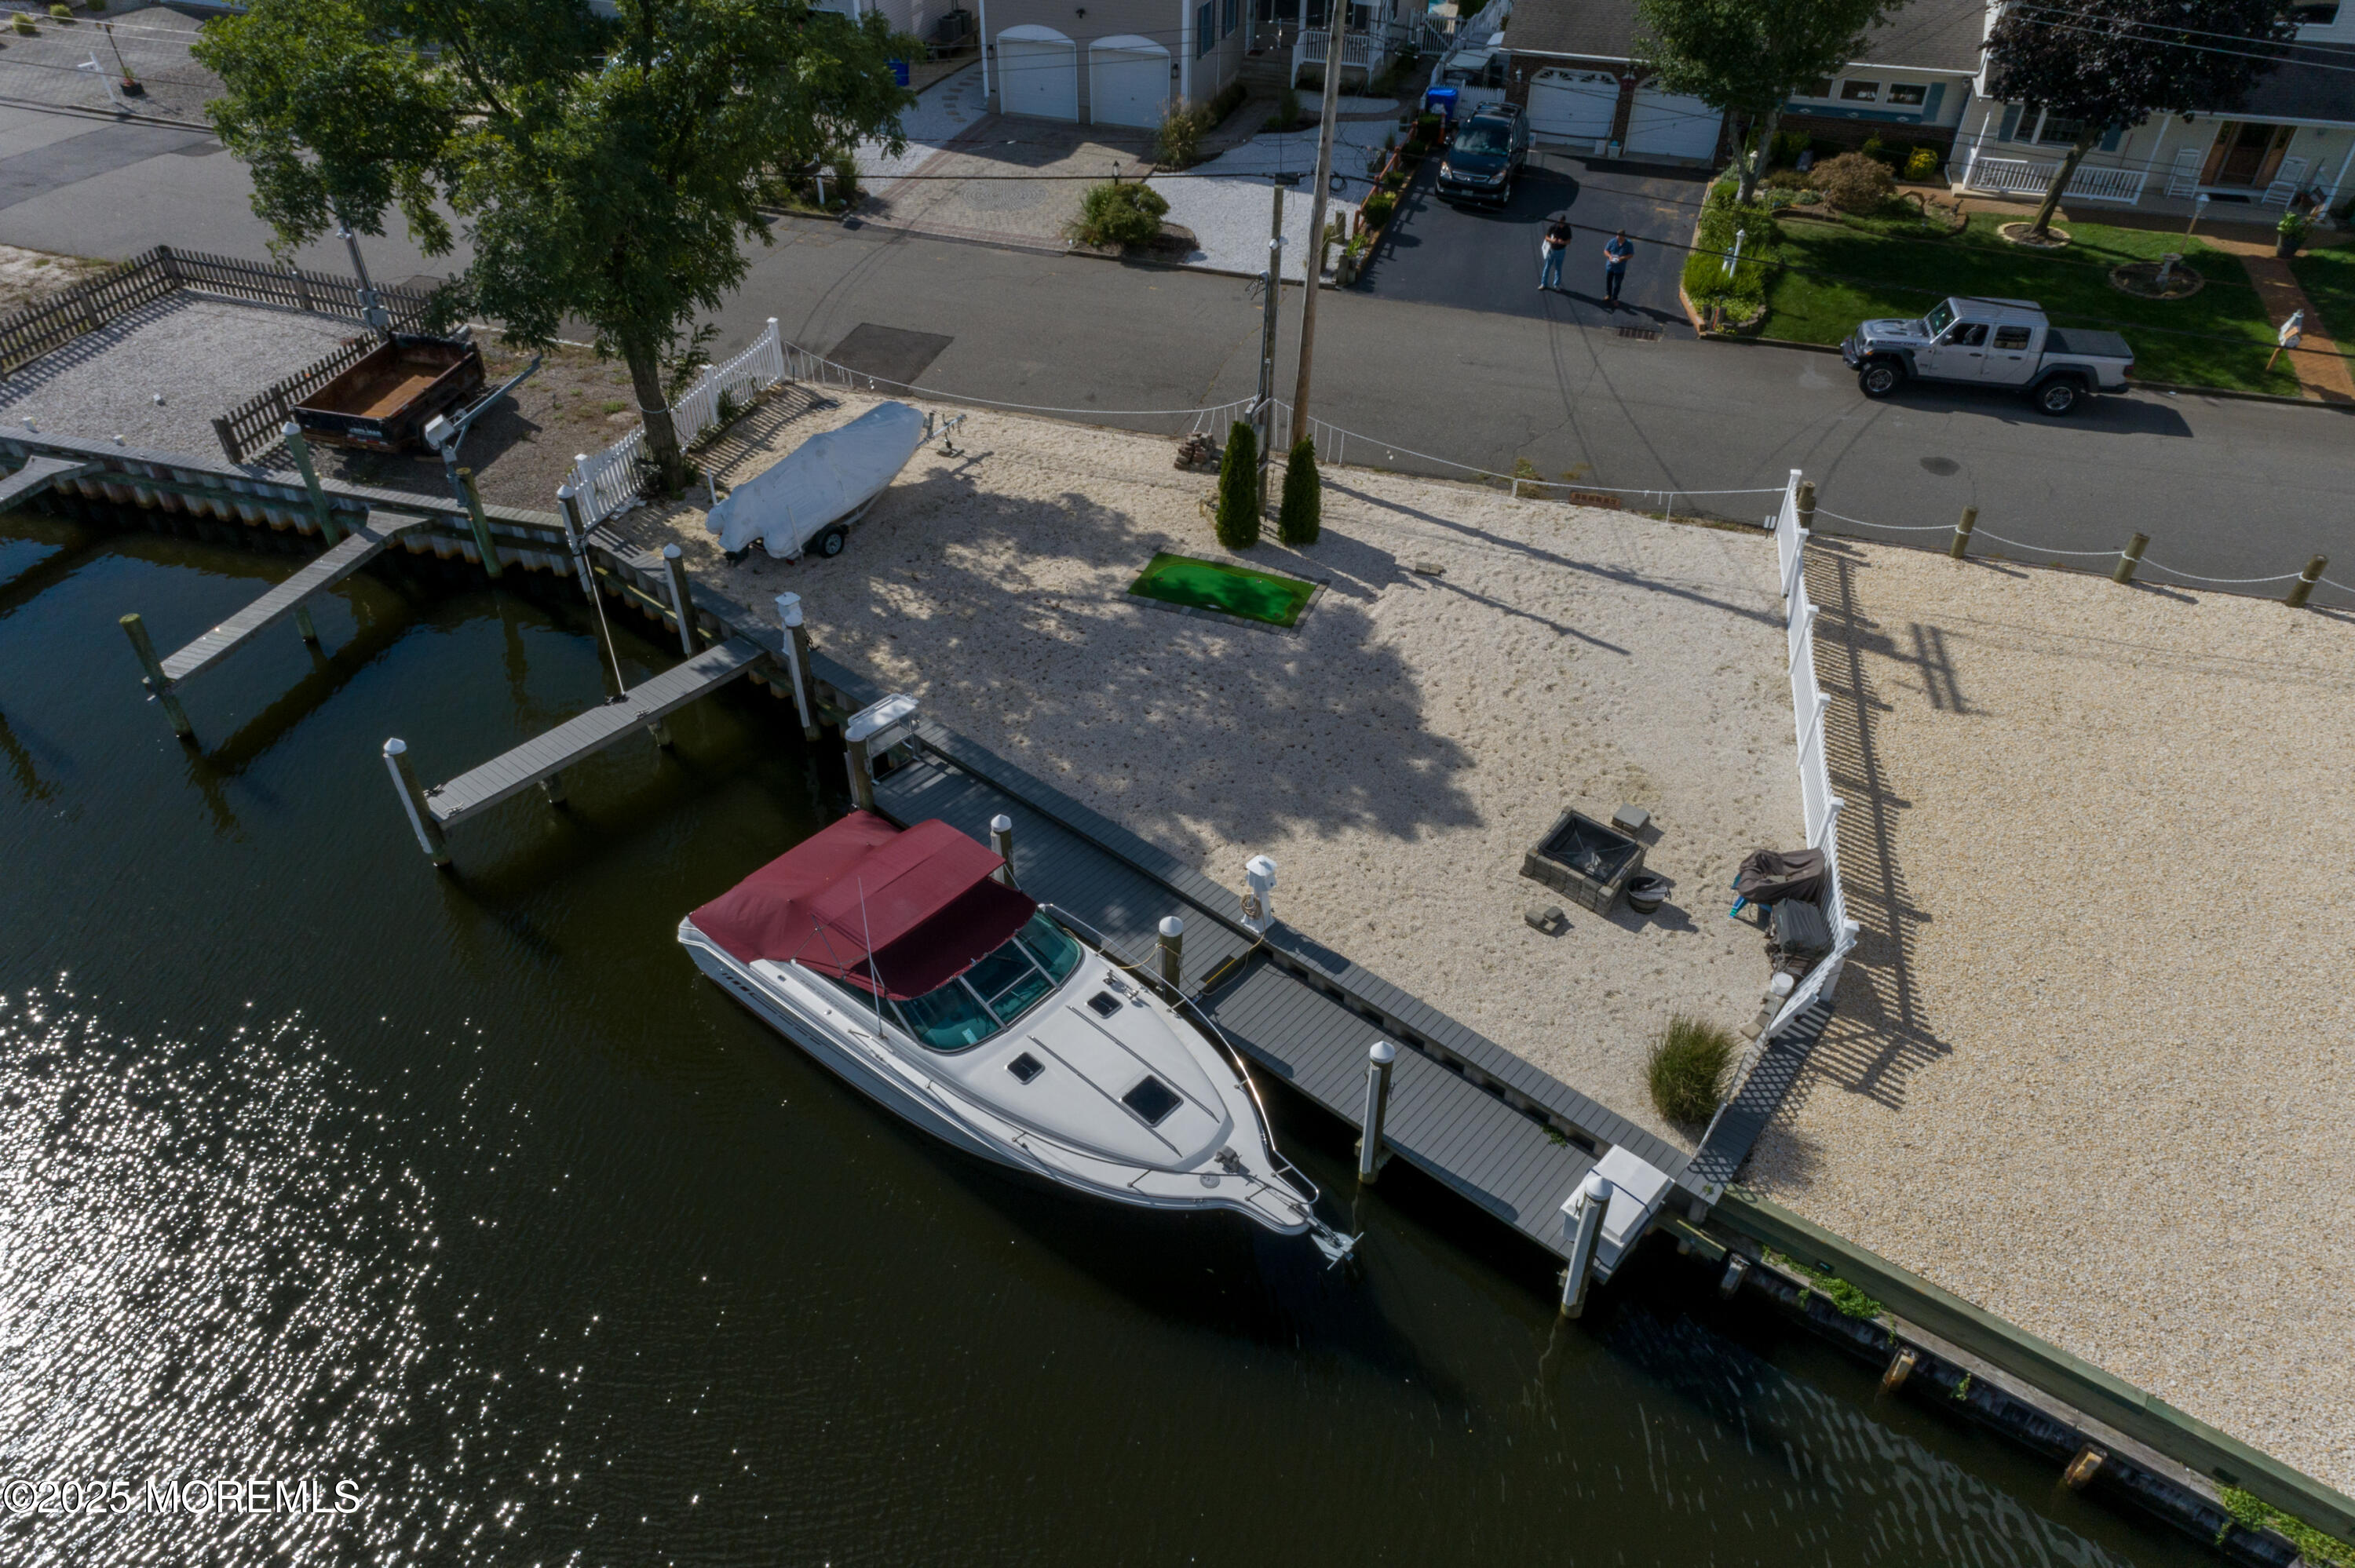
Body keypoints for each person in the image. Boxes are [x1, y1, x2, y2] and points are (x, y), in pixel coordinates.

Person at [1539, 215, 1572, 292]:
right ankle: (1543, 284)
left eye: (1562, 223)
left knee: (1558, 268)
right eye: (1560, 223)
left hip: (1561, 251)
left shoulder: (1567, 229)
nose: (1561, 225)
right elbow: (1546, 237)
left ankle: (1556, 285)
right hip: (1552, 250)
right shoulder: (1553, 227)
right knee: (1547, 267)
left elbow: (1569, 241)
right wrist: (1551, 240)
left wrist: (1563, 242)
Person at [1602, 229, 1633, 305]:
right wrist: (1609, 256)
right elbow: (1606, 250)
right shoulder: (1612, 241)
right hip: (1610, 267)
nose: (1618, 238)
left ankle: (1615, 298)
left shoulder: (1629, 244)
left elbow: (1631, 255)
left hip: (1620, 268)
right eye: (1617, 236)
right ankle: (1608, 295)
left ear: (1624, 236)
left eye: (1620, 236)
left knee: (1617, 284)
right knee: (1609, 282)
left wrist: (1622, 258)